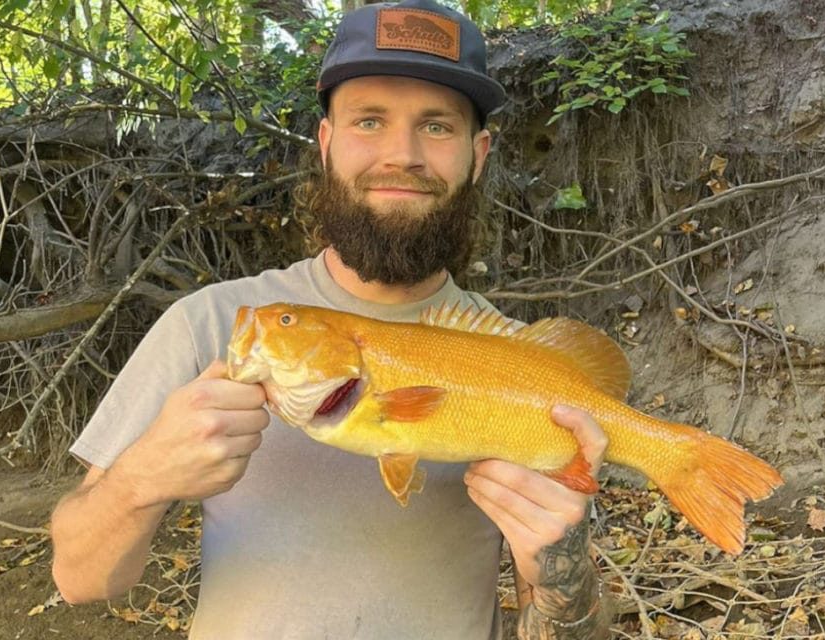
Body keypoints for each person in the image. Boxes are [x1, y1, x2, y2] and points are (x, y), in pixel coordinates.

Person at [50, 0, 610, 637]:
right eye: (369, 120)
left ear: (477, 154)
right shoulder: (210, 324)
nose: (401, 155)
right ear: (326, 143)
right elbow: (80, 578)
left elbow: (566, 628)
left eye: (436, 127)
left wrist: (562, 573)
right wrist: (137, 481)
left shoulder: (527, 367)